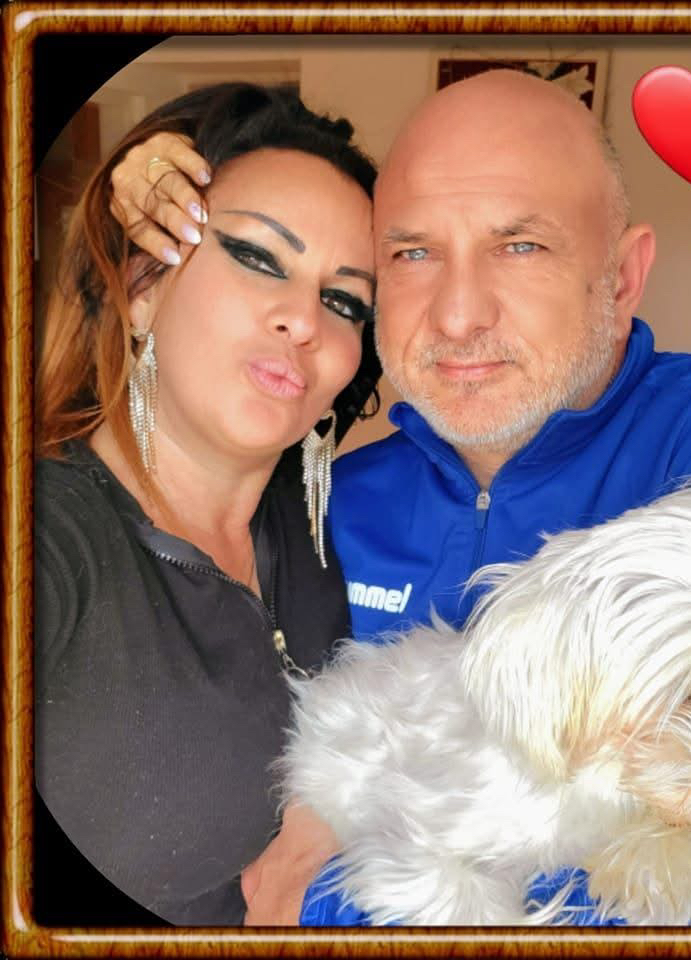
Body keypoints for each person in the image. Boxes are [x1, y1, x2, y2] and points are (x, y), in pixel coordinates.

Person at [111, 69, 691, 927]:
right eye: (412, 253)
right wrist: (132, 232)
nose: (456, 315)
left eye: (519, 245)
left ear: (624, 277)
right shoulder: (326, 500)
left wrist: (330, 906)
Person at [34, 82, 380, 925]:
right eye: (259, 257)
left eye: (344, 300)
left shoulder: (348, 526)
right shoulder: (47, 537)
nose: (304, 319)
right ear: (142, 286)